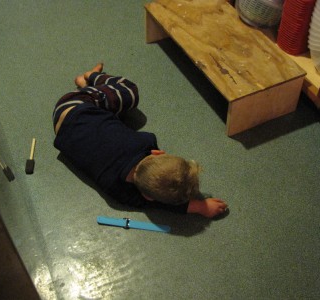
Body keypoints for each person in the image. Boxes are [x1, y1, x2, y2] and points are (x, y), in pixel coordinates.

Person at [53, 63, 228, 218]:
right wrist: (199, 207)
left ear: (157, 152)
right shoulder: (119, 191)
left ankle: (90, 79)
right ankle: (88, 81)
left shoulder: (145, 142)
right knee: (118, 110)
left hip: (74, 106)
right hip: (63, 128)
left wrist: (200, 206)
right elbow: (155, 204)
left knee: (129, 91)